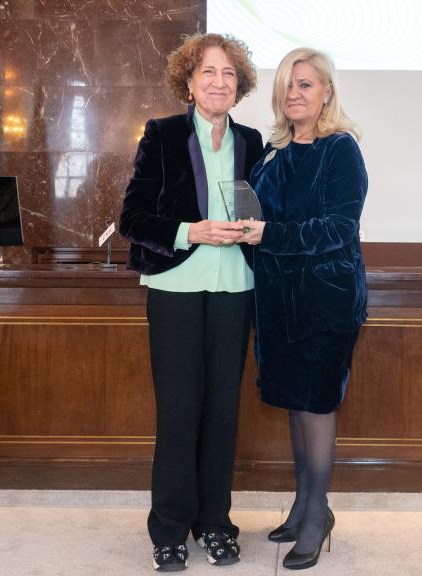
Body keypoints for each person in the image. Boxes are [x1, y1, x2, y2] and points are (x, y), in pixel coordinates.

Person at [118, 33, 264, 572]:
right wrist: (190, 231)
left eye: (228, 74)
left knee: (222, 414)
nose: (219, 82)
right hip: (176, 289)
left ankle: (216, 524)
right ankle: (170, 528)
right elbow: (134, 218)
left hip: (237, 291)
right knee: (180, 413)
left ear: (240, 84)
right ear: (188, 81)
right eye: (208, 72)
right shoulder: (162, 135)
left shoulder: (253, 141)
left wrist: (257, 231)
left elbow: (261, 209)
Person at [239, 47, 368, 570]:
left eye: (307, 84)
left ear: (327, 92)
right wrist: (241, 228)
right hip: (275, 300)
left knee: (316, 405)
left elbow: (338, 230)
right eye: (288, 85)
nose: (295, 93)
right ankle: (303, 503)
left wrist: (267, 233)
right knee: (295, 402)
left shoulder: (341, 150)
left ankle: (318, 515)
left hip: (325, 300)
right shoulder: (271, 152)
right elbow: (250, 217)